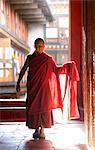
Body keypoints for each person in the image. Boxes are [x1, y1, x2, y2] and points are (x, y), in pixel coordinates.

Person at [16, 38, 79, 139]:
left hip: (44, 88)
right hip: (33, 87)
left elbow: (56, 70)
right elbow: (24, 69)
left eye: (40, 46)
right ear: (34, 46)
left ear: (44, 47)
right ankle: (36, 129)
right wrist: (18, 82)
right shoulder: (30, 58)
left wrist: (68, 67)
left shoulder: (48, 59)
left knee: (44, 108)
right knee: (33, 107)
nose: (38, 48)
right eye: (36, 46)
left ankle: (42, 130)